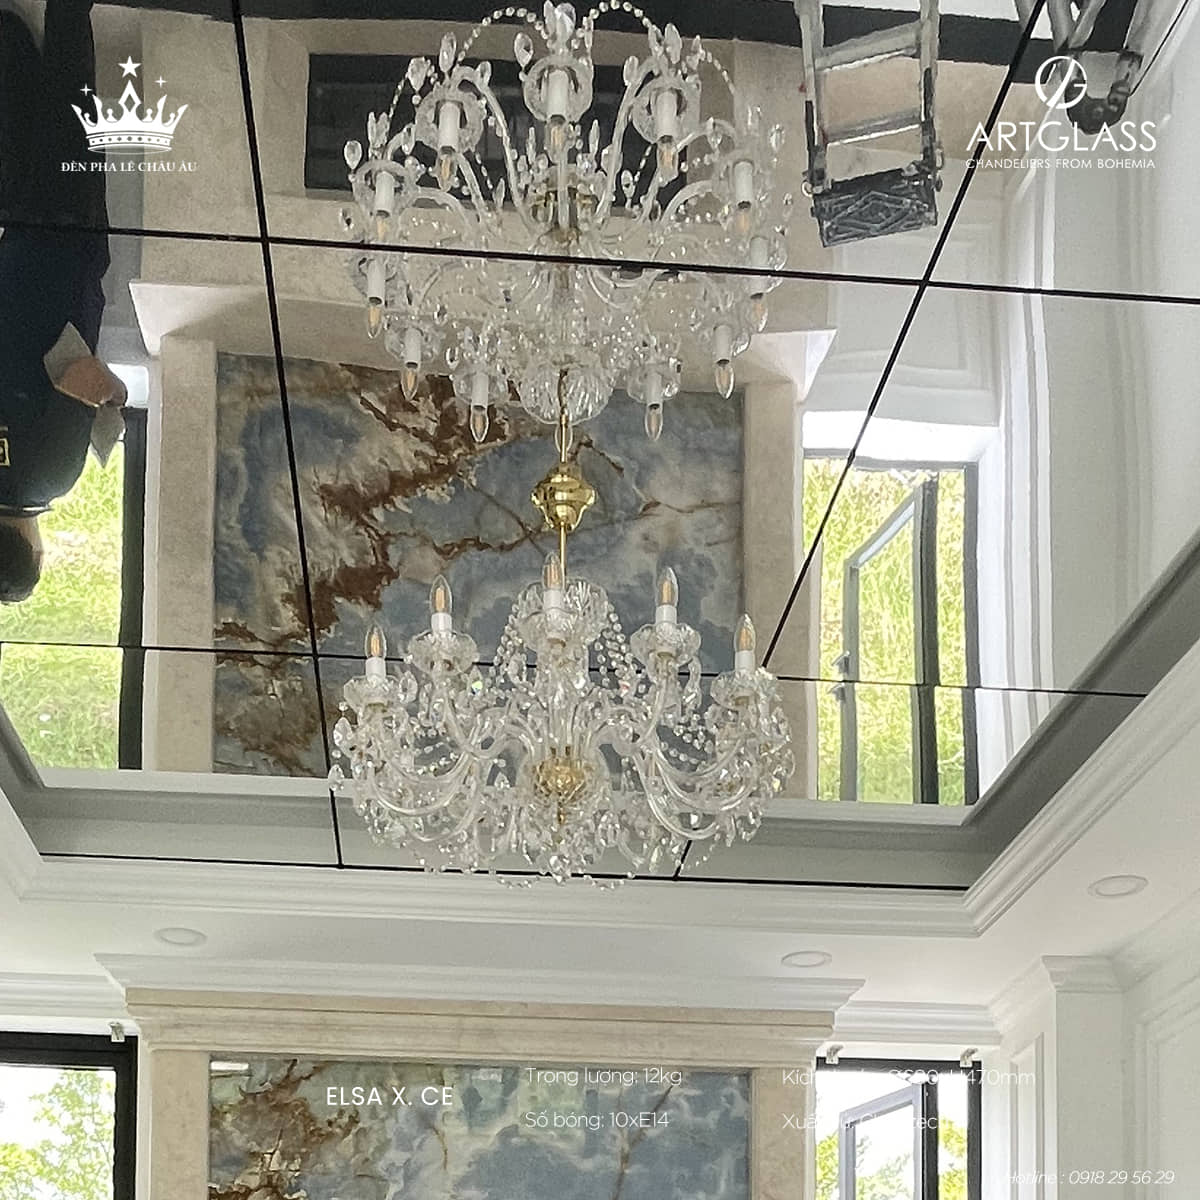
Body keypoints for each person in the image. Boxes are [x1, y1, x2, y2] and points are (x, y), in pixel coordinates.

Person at [0, 0, 125, 603]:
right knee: (23, 129)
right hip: (14, 255)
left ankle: (69, 10)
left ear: (34, 552)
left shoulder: (50, 476)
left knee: (75, 109)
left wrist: (112, 397)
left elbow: (81, 376)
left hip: (66, 257)